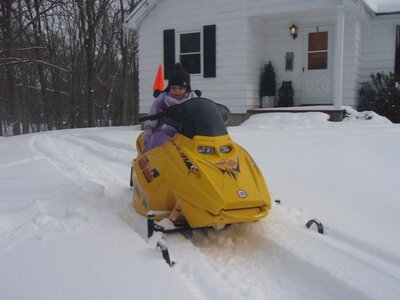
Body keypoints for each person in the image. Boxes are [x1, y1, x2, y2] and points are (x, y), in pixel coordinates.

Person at [143, 63, 198, 152]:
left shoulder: (193, 100)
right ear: (169, 88)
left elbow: (200, 114)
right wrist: (148, 130)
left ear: (187, 89)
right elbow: (153, 114)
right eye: (174, 88)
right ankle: (148, 161)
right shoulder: (163, 99)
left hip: (187, 132)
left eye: (181, 88)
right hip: (165, 130)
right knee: (157, 139)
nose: (177, 91)